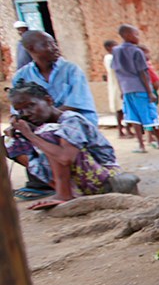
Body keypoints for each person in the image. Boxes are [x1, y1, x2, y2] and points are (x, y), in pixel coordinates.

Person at [7, 30, 99, 201]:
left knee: (49, 133)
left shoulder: (71, 70)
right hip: (42, 124)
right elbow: (17, 109)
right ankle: (51, 184)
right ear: (31, 48)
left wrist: (42, 124)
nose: (55, 48)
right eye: (48, 44)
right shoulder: (22, 76)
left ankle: (64, 192)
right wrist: (15, 123)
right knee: (9, 142)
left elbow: (77, 103)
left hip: (72, 123)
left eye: (54, 43)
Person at [5, 80, 124, 210]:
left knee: (47, 132)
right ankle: (62, 189)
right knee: (10, 141)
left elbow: (65, 158)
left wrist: (30, 135)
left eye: (30, 105)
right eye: (20, 111)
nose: (26, 113)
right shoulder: (41, 127)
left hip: (104, 177)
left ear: (49, 100)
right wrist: (21, 135)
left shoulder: (71, 119)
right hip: (82, 182)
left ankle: (64, 195)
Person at [111, 24, 159, 153]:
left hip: (127, 89)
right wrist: (150, 92)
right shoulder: (136, 51)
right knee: (149, 115)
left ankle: (141, 145)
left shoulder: (116, 51)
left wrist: (122, 90)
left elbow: (117, 72)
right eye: (136, 34)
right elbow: (143, 72)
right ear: (127, 35)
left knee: (134, 117)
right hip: (141, 88)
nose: (138, 37)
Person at [104, 39, 133, 139]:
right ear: (108, 48)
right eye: (114, 46)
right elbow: (115, 68)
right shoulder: (109, 58)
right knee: (119, 109)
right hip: (116, 86)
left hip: (123, 85)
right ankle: (121, 131)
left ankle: (128, 129)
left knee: (126, 108)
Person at [138, 44, 159, 148]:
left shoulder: (148, 64)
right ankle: (150, 136)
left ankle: (153, 134)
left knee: (153, 114)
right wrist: (150, 92)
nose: (148, 55)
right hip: (149, 93)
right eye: (146, 53)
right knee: (149, 115)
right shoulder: (142, 67)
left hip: (153, 92)